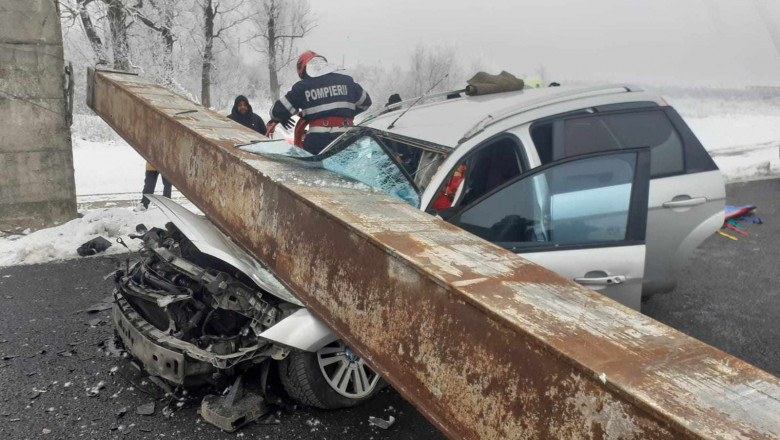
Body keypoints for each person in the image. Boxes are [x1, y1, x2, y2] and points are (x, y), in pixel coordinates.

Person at [270, 50, 372, 155]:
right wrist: (344, 113)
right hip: (347, 137)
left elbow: (276, 112)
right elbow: (366, 102)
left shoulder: (302, 87)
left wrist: (283, 118)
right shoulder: (347, 81)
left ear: (303, 70)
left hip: (319, 141)